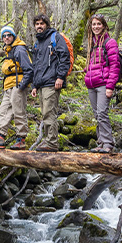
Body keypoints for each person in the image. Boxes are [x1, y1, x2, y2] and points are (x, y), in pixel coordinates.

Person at [0, 26, 33, 150]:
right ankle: (0, 137)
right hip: (9, 85)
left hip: (18, 85)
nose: (6, 38)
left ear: (13, 36)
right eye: (4, 36)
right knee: (3, 111)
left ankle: (21, 139)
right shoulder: (9, 50)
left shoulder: (19, 49)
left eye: (9, 35)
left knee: (18, 111)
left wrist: (22, 86)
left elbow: (29, 69)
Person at [31, 14, 70, 152]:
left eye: (42, 23)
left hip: (52, 82)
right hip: (41, 83)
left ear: (46, 24)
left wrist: (60, 77)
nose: (39, 26)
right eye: (37, 24)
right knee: (44, 112)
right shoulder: (37, 42)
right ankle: (48, 140)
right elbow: (36, 65)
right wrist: (34, 85)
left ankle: (52, 143)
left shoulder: (55, 37)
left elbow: (65, 57)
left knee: (49, 112)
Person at [84, 14, 120, 154]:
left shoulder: (110, 42)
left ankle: (108, 143)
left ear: (104, 25)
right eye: (93, 24)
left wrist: (110, 86)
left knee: (102, 113)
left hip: (103, 84)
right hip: (91, 84)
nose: (96, 27)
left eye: (99, 24)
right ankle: (101, 142)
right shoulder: (91, 43)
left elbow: (114, 66)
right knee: (97, 115)